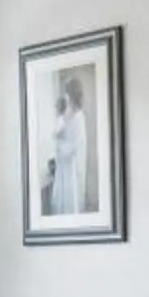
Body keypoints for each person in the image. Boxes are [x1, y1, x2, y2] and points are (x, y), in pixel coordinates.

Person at [47, 73, 89, 217]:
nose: (66, 96)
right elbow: (57, 132)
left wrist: (60, 145)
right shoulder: (68, 113)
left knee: (70, 201)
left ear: (72, 94)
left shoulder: (78, 117)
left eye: (68, 92)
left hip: (71, 166)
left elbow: (75, 145)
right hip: (64, 165)